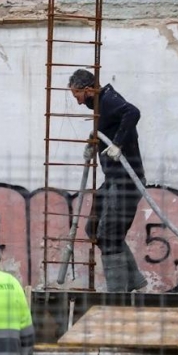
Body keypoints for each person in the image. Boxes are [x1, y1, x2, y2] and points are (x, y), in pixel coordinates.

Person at [68, 68, 147, 292]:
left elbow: (133, 112)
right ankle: (136, 281)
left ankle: (117, 295)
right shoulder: (99, 106)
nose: (78, 102)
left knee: (110, 235)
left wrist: (118, 143)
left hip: (127, 182)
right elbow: (107, 128)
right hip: (113, 180)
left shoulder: (109, 100)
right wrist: (94, 142)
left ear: (88, 89)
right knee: (94, 228)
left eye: (78, 96)